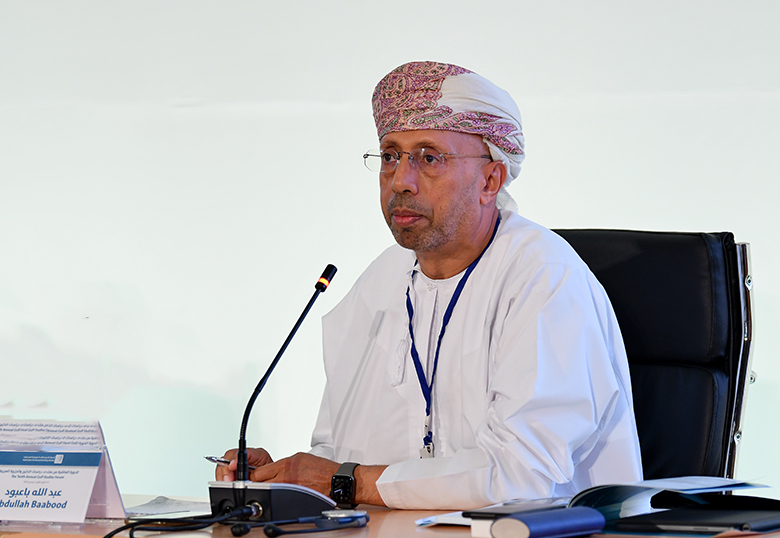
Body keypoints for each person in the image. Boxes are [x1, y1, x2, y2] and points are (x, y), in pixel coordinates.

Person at [217, 61, 643, 510]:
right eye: (390, 156)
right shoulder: (377, 284)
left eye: (429, 158)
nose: (400, 181)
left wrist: (343, 481)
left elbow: (523, 476)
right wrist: (287, 481)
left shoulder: (544, 277)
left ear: (490, 180)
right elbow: (340, 459)